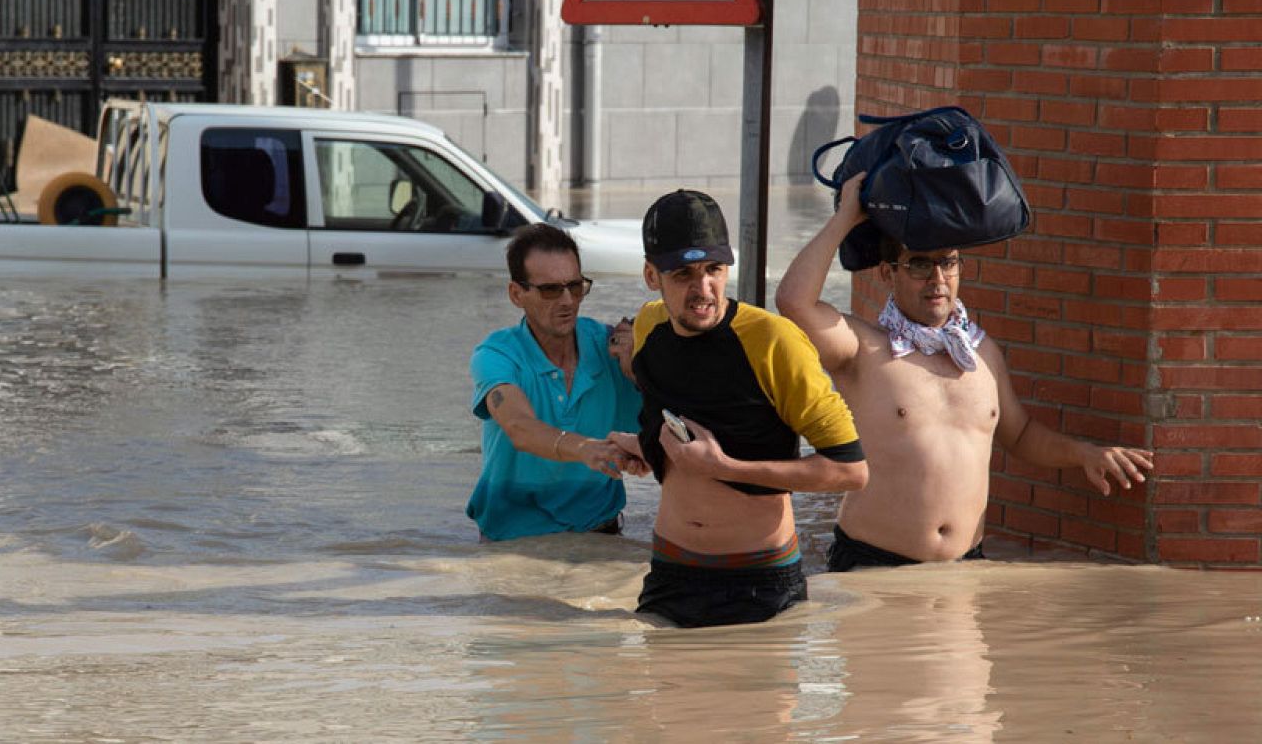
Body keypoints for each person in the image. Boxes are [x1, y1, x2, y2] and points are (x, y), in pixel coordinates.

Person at [774, 172, 1154, 572]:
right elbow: (793, 301)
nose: (937, 279)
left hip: (964, 569)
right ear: (888, 273)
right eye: (920, 264)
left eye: (948, 263)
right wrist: (845, 218)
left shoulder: (982, 353)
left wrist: (1085, 454)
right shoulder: (862, 348)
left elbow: (1020, 434)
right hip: (873, 567)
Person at [608, 190, 867, 627]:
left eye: (714, 269)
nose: (703, 288)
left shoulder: (775, 342)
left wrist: (725, 467)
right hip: (670, 573)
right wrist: (646, 446)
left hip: (760, 581)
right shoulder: (649, 326)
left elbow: (850, 472)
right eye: (683, 274)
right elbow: (690, 425)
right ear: (652, 275)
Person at [468, 223, 648, 542]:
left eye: (575, 287)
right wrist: (583, 448)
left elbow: (671, 421)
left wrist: (639, 372)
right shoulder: (496, 355)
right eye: (551, 290)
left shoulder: (612, 348)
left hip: (602, 536)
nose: (567, 301)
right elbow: (520, 428)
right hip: (513, 542)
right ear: (516, 294)